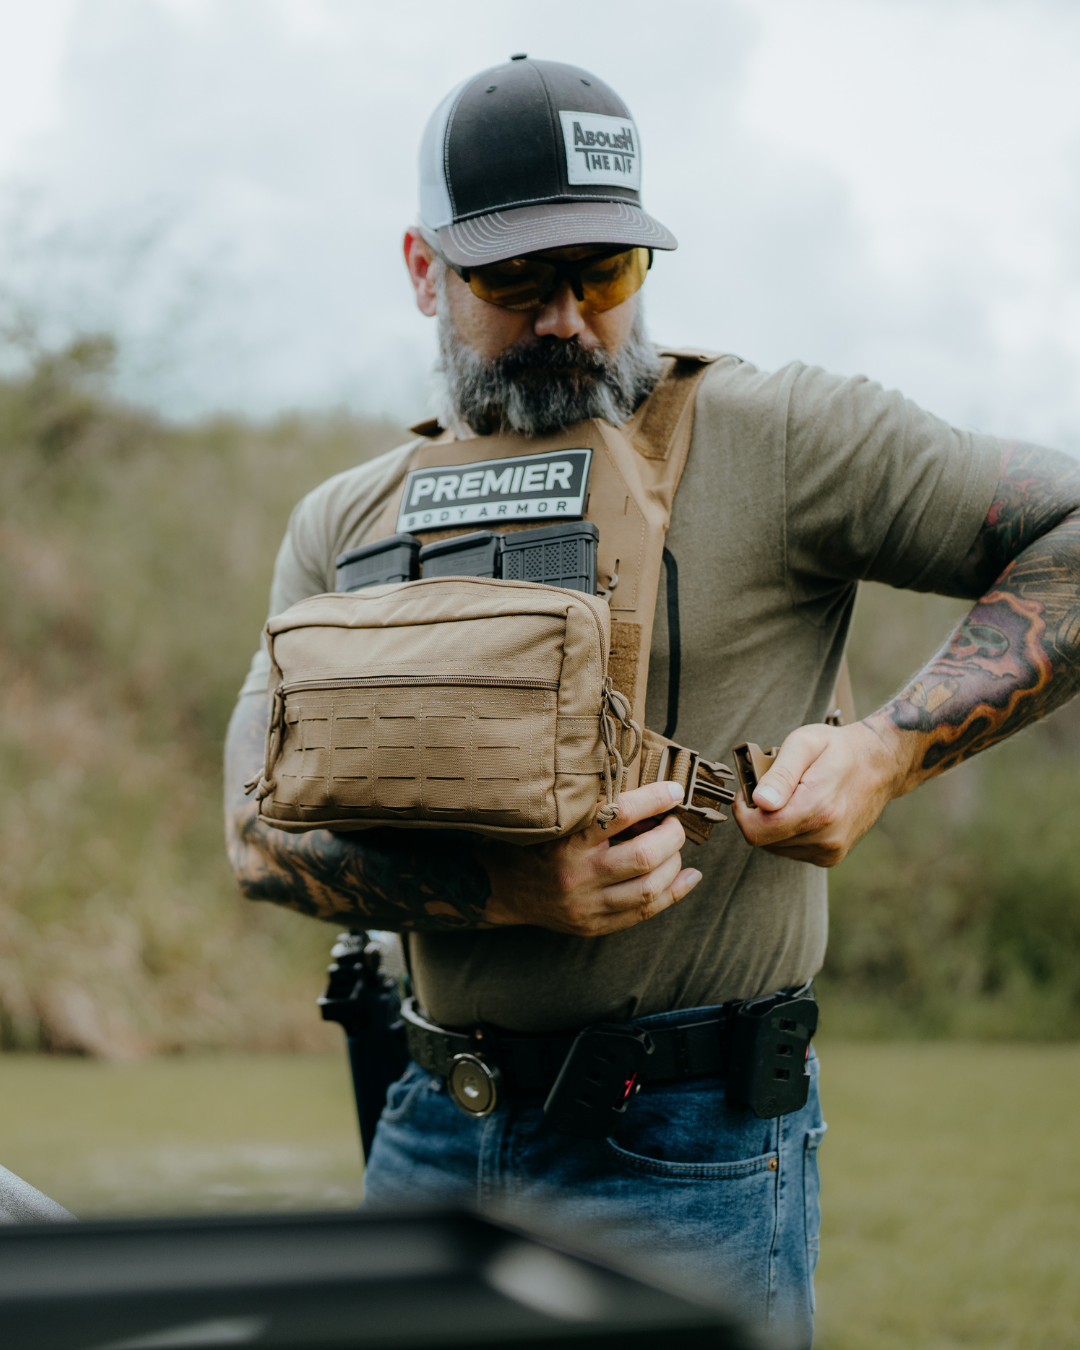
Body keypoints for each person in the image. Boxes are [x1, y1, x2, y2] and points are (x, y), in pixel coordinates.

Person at [224, 56, 1080, 1346]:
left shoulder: (782, 436)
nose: (567, 317)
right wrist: (505, 894)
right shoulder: (345, 521)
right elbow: (254, 837)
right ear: (422, 270)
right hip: (429, 1133)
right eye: (516, 279)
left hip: (691, 1155)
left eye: (607, 270)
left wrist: (886, 753)